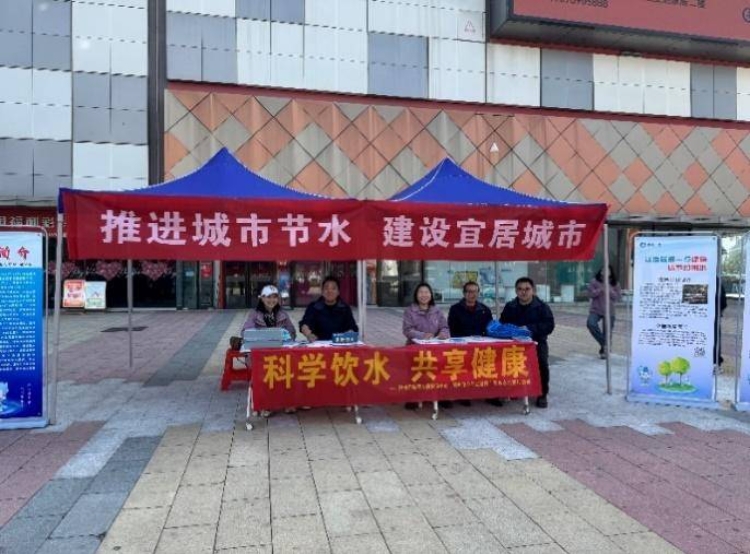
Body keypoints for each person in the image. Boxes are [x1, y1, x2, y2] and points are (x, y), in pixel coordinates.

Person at [242, 284, 296, 417]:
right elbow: (245, 332)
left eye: (274, 297)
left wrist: (285, 335)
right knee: (265, 371)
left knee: (290, 367)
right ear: (262, 298)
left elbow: (292, 332)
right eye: (268, 297)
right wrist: (261, 336)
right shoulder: (254, 314)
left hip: (280, 352)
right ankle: (266, 404)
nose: (271, 300)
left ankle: (287, 401)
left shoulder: (282, 314)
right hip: (260, 354)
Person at [500, 277, 555, 408]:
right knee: (503, 361)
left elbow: (549, 325)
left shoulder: (542, 307)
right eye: (520, 289)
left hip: (536, 342)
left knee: (541, 363)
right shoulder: (510, 306)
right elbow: (503, 324)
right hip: (514, 343)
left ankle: (542, 394)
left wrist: (530, 329)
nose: (523, 292)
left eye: (527, 289)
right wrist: (512, 330)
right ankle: (510, 390)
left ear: (533, 290)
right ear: (516, 291)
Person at [402, 282, 450, 410]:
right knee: (416, 373)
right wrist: (422, 335)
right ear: (416, 295)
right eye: (421, 292)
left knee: (441, 371)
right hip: (415, 347)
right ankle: (412, 398)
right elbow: (407, 330)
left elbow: (445, 327)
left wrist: (443, 334)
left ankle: (441, 397)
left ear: (431, 295)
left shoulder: (437, 310)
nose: (424, 295)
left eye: (426, 292)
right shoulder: (410, 311)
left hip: (435, 347)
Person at [447, 281, 493, 408]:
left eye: (475, 291)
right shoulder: (455, 309)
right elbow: (452, 329)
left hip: (481, 346)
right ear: (464, 293)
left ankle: (491, 394)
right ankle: (464, 395)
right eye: (469, 291)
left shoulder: (485, 310)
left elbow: (489, 329)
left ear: (478, 293)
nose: (472, 294)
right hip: (462, 345)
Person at [300, 275, 358, 342]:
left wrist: (350, 332)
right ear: (322, 292)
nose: (329, 291)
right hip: (318, 344)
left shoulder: (345, 308)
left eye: (333, 288)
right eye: (326, 288)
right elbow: (305, 324)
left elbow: (353, 327)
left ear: (338, 292)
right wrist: (308, 333)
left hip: (340, 344)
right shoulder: (313, 307)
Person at [586, 266, 621, 359]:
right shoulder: (594, 281)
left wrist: (609, 289)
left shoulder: (614, 283)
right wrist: (600, 289)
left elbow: (617, 297)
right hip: (596, 309)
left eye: (607, 270)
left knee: (607, 332)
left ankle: (604, 351)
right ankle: (605, 344)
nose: (605, 272)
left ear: (610, 272)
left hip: (609, 311)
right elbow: (590, 294)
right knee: (591, 324)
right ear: (600, 271)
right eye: (603, 270)